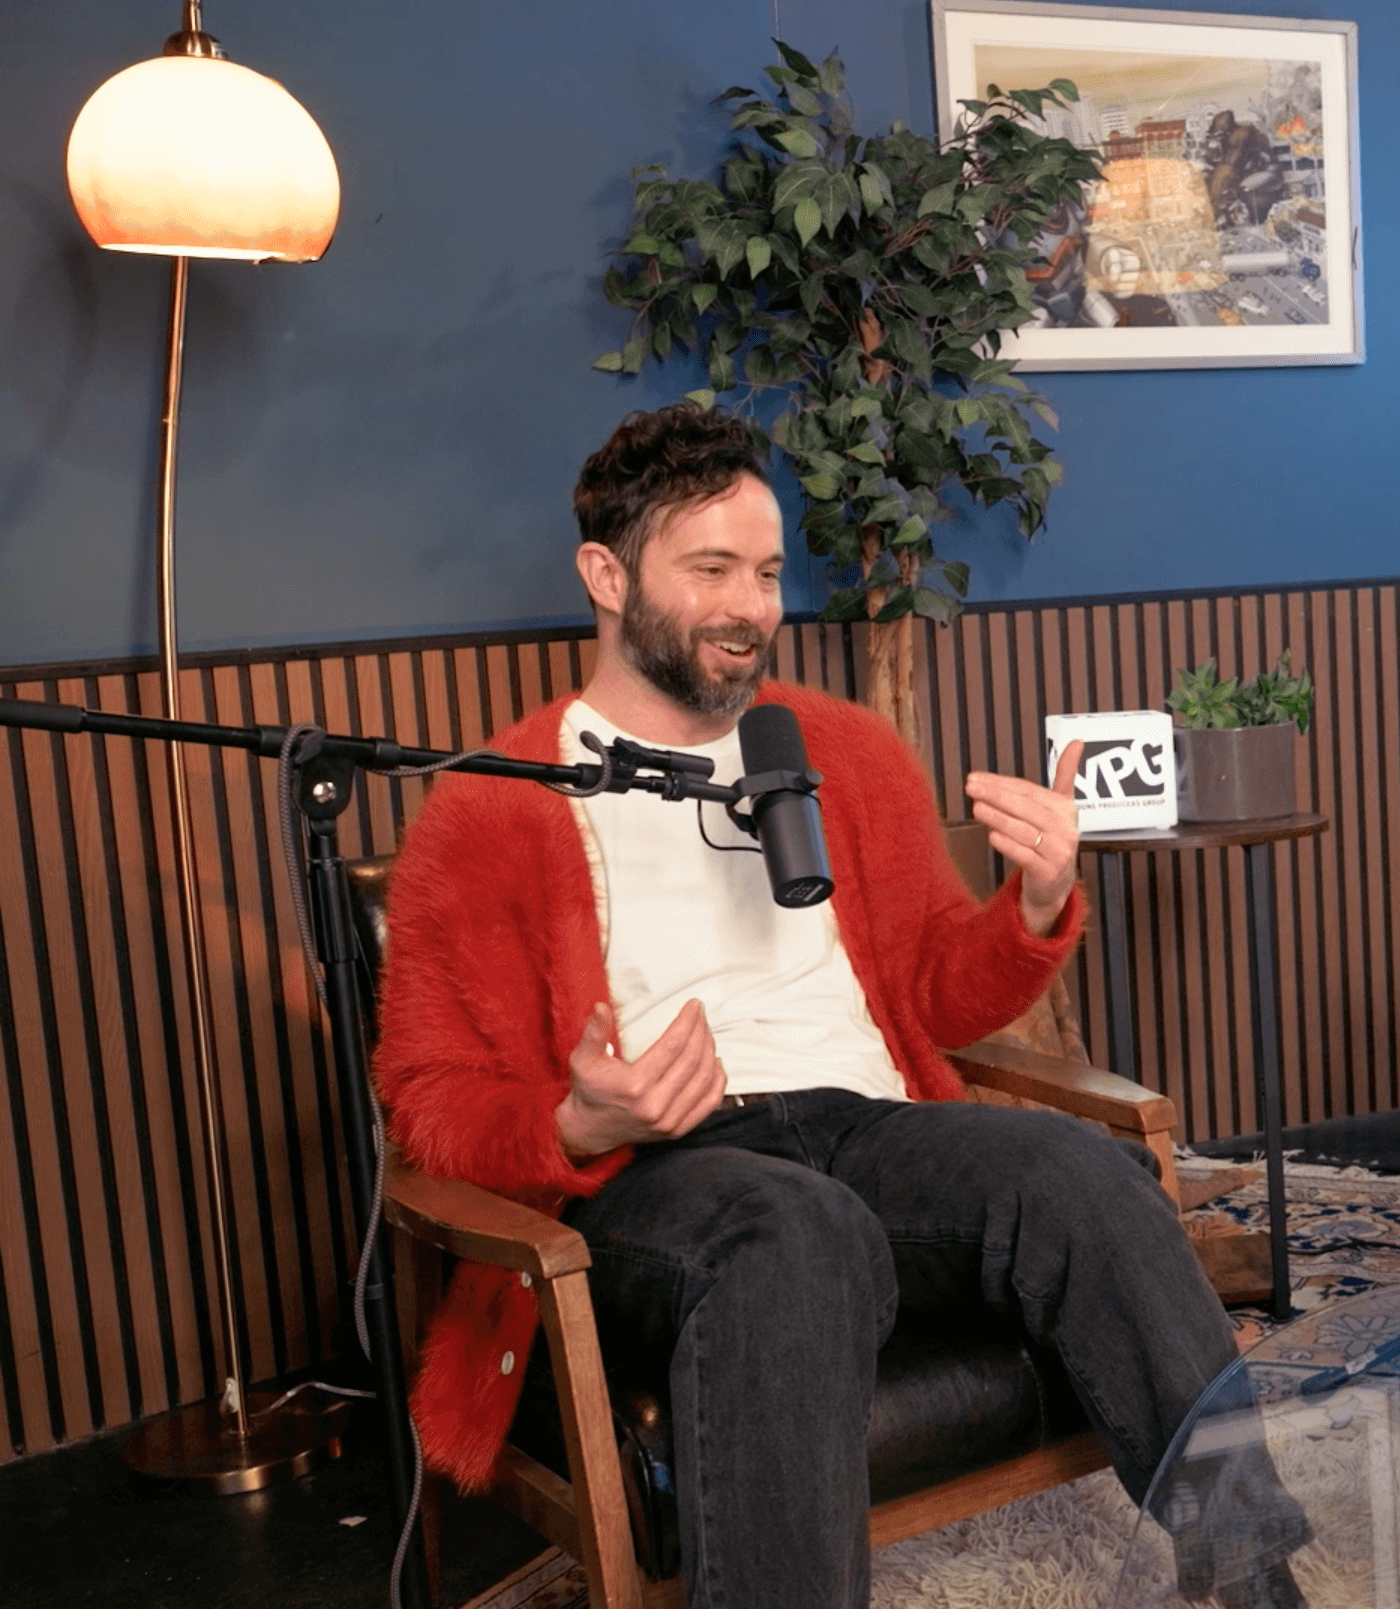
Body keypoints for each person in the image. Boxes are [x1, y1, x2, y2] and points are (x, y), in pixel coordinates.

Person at [373, 404, 1303, 1609]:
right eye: (709, 569)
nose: (751, 606)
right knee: (793, 1231)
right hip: (666, 1174)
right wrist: (575, 1124)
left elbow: (937, 988)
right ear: (605, 575)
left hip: (872, 1132)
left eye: (765, 573)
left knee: (1078, 1170)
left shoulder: (843, 752)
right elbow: (426, 1103)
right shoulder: (493, 804)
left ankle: (1254, 1579)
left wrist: (1035, 902)